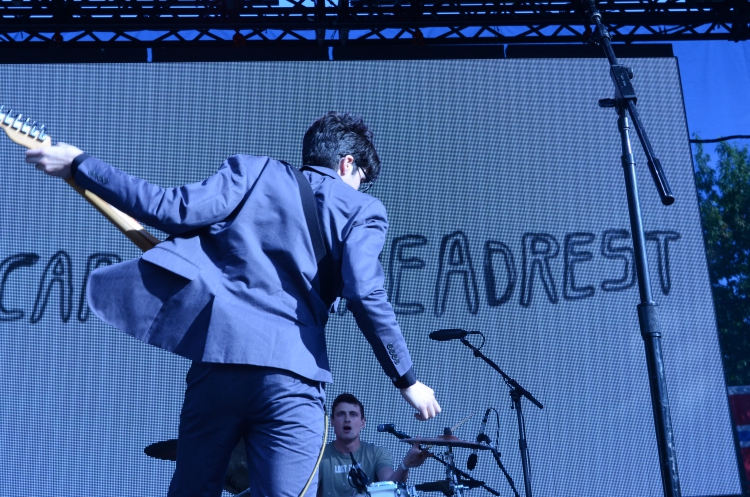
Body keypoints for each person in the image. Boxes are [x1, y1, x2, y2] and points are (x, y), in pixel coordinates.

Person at [25, 111, 441, 497]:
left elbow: (167, 208)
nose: (359, 189)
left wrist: (80, 163)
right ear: (348, 164)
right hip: (290, 379)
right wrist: (407, 379)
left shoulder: (253, 172)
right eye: (361, 178)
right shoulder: (363, 209)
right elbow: (365, 292)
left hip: (217, 367)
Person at [318, 393, 429, 497]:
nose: (347, 419)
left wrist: (405, 465)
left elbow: (390, 486)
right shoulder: (319, 456)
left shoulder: (377, 453)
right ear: (332, 421)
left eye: (353, 414)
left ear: (363, 422)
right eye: (341, 414)